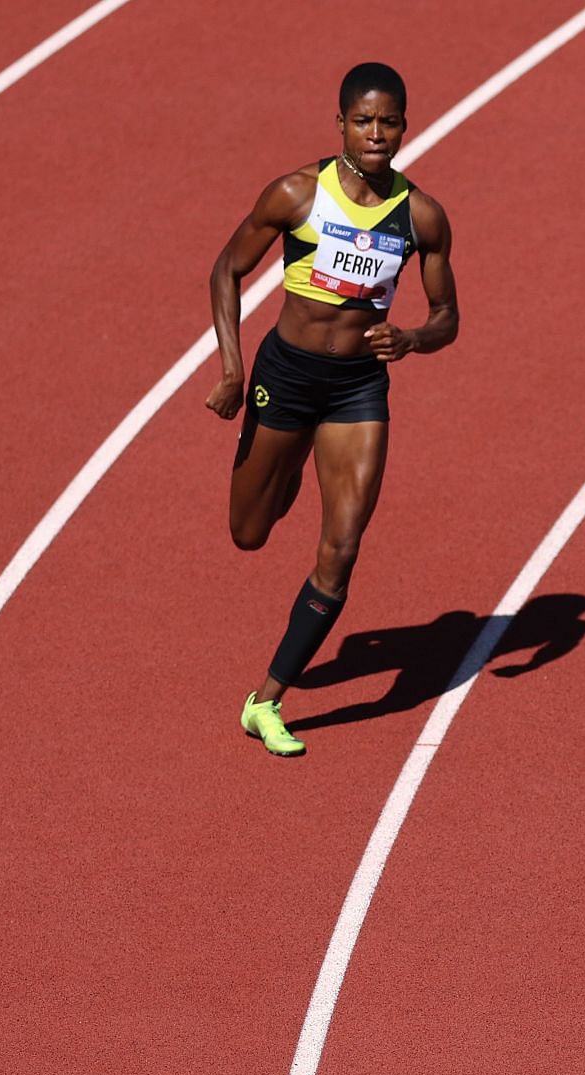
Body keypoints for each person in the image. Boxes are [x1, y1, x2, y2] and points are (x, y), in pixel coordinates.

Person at [205, 62, 457, 756]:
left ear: (406, 125)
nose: (377, 134)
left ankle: (267, 701)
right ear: (340, 123)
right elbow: (226, 269)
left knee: (341, 549)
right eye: (364, 121)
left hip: (358, 390)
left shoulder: (421, 216)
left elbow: (447, 317)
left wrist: (410, 338)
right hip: (285, 376)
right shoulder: (296, 194)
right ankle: (283, 466)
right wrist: (231, 366)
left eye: (390, 122)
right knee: (250, 531)